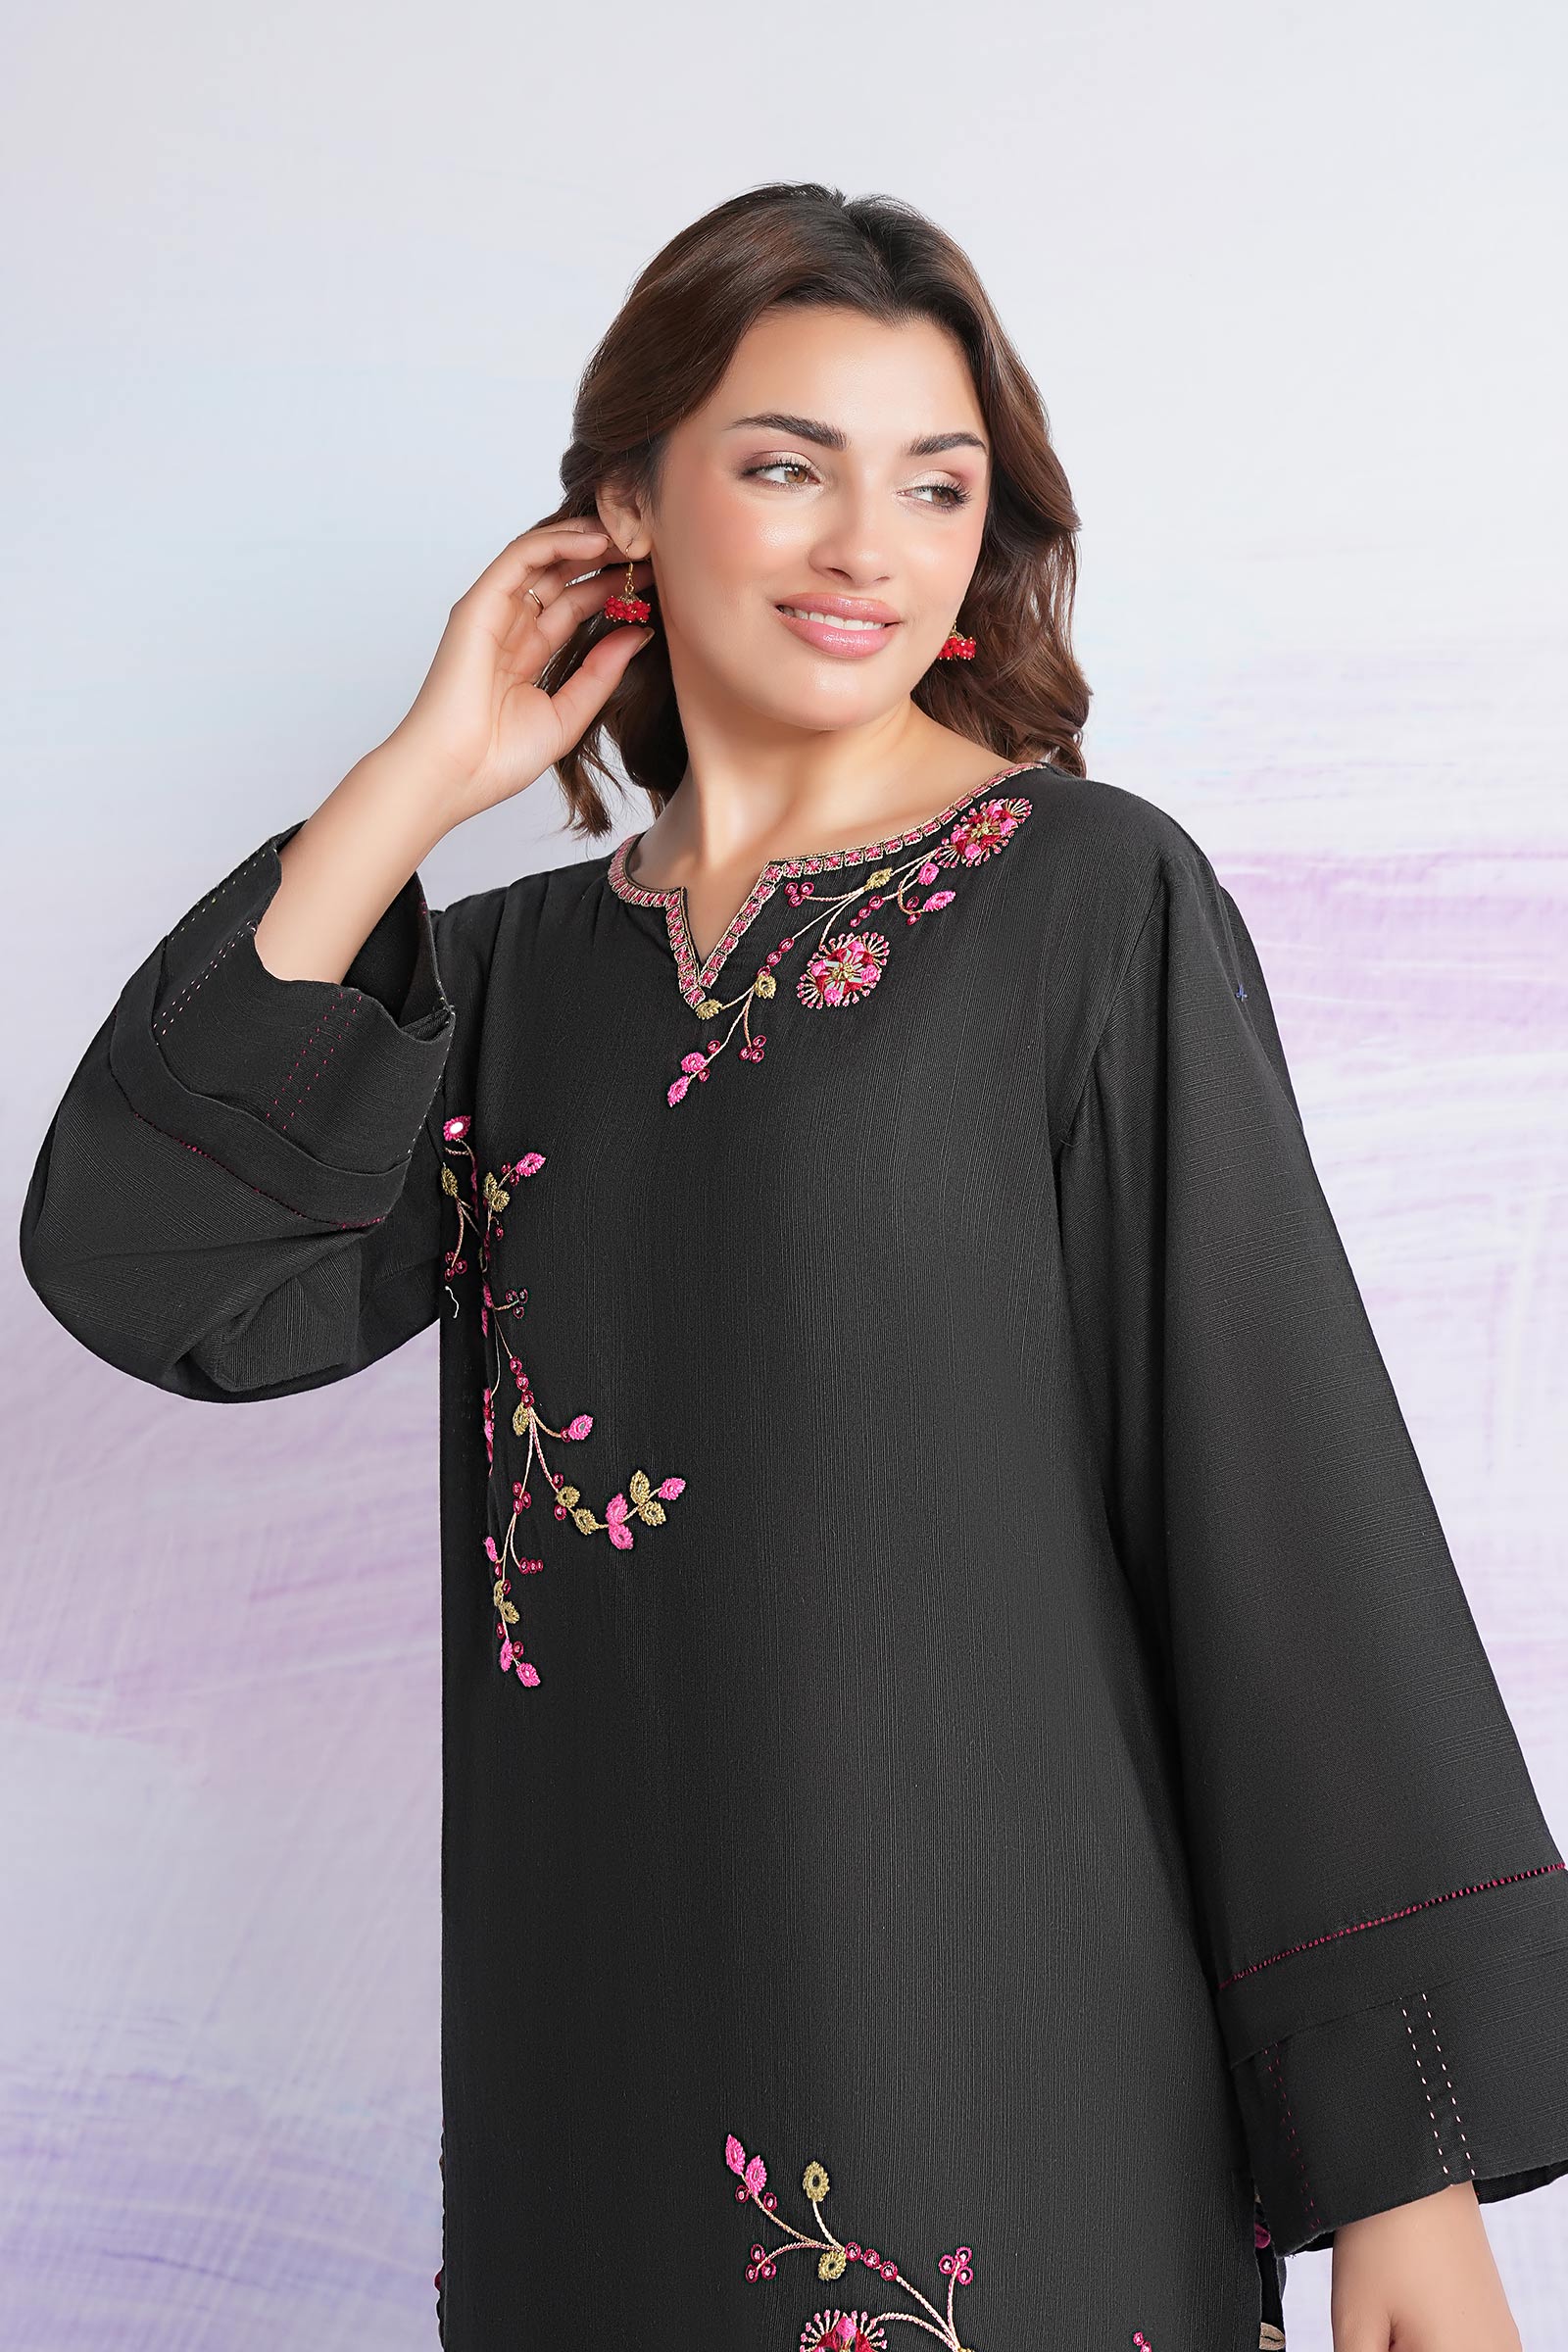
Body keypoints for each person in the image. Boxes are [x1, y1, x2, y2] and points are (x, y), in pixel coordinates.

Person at [18, 179, 1567, 2352]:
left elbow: (1278, 1504)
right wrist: (424, 777)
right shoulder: (498, 991)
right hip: (598, 2113)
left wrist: (1406, 2181)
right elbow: (156, 1267)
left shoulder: (1083, 901)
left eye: (934, 485)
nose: (866, 547)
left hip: (1017, 2097)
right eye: (785, 467)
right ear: (622, 510)